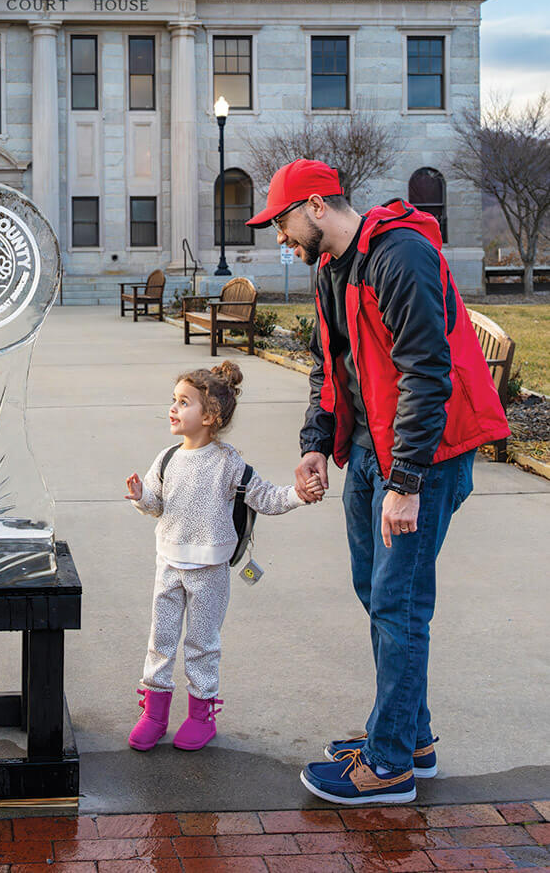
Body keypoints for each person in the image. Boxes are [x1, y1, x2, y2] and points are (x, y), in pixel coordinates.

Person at [246, 158, 509, 805]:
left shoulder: (401, 256)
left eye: (280, 222)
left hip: (424, 459)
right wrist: (314, 445)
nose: (278, 237)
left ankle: (388, 765)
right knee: (377, 591)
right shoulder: (332, 269)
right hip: (368, 450)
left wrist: (407, 481)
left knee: (400, 604)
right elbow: (326, 366)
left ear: (313, 207)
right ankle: (410, 737)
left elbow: (427, 372)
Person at [124, 360, 324, 752]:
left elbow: (264, 496)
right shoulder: (166, 459)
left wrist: (298, 495)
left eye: (184, 402)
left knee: (201, 642)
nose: (174, 408)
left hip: (210, 572)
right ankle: (154, 712)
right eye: (174, 400)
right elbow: (156, 504)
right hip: (168, 564)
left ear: (210, 416)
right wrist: (139, 497)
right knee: (160, 640)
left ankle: (201, 715)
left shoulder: (228, 462)